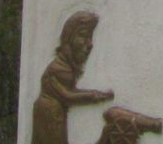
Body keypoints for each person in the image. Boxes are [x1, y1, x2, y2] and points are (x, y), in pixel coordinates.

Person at [32, 11, 114, 144]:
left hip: (54, 113)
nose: (89, 44)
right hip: (49, 115)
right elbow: (68, 96)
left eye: (90, 37)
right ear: (68, 38)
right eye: (83, 36)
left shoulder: (65, 68)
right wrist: (96, 96)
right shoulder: (59, 69)